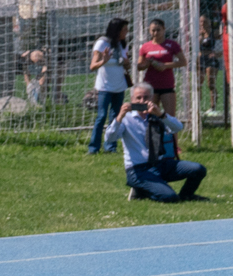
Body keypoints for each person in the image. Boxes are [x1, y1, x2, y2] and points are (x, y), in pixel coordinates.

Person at [109, 90, 205, 202]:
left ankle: (186, 195)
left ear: (151, 99)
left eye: (146, 97)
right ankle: (141, 190)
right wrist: (119, 117)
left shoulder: (157, 115)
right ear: (131, 100)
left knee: (198, 169)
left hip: (160, 164)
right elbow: (110, 138)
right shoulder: (126, 119)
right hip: (138, 169)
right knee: (170, 197)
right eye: (138, 98)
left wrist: (161, 114)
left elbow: (178, 127)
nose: (142, 101)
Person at [87, 18, 131, 153]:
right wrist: (103, 61)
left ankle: (111, 147)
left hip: (119, 86)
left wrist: (126, 62)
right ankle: (94, 148)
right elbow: (92, 66)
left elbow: (126, 65)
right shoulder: (102, 43)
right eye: (124, 30)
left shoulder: (122, 44)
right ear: (116, 30)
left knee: (115, 117)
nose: (126, 32)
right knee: (101, 116)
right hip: (104, 87)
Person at [135, 18, 181, 111]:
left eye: (158, 30)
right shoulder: (145, 46)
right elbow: (139, 66)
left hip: (167, 85)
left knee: (170, 115)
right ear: (149, 31)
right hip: (150, 85)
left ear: (164, 29)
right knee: (149, 113)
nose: (155, 33)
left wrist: (165, 65)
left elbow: (183, 62)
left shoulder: (172, 44)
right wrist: (147, 63)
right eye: (153, 30)